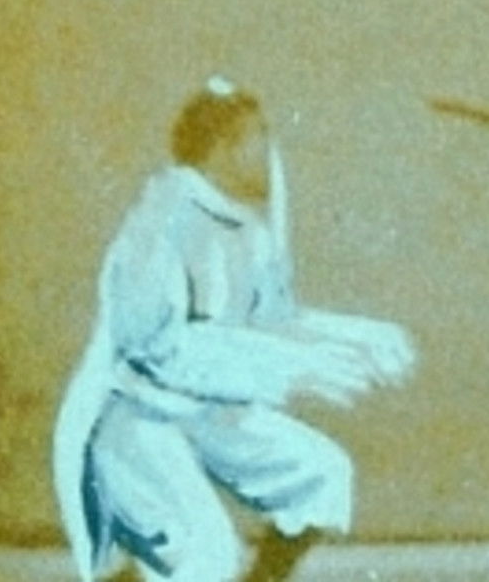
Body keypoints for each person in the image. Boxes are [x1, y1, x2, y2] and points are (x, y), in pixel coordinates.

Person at [53, 76, 416, 582]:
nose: (270, 154)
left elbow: (273, 321)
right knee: (206, 558)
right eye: (258, 137)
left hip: (208, 414)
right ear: (221, 147)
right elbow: (154, 348)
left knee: (322, 474)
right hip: (134, 418)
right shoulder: (159, 221)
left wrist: (357, 336)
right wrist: (286, 367)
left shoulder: (249, 230)